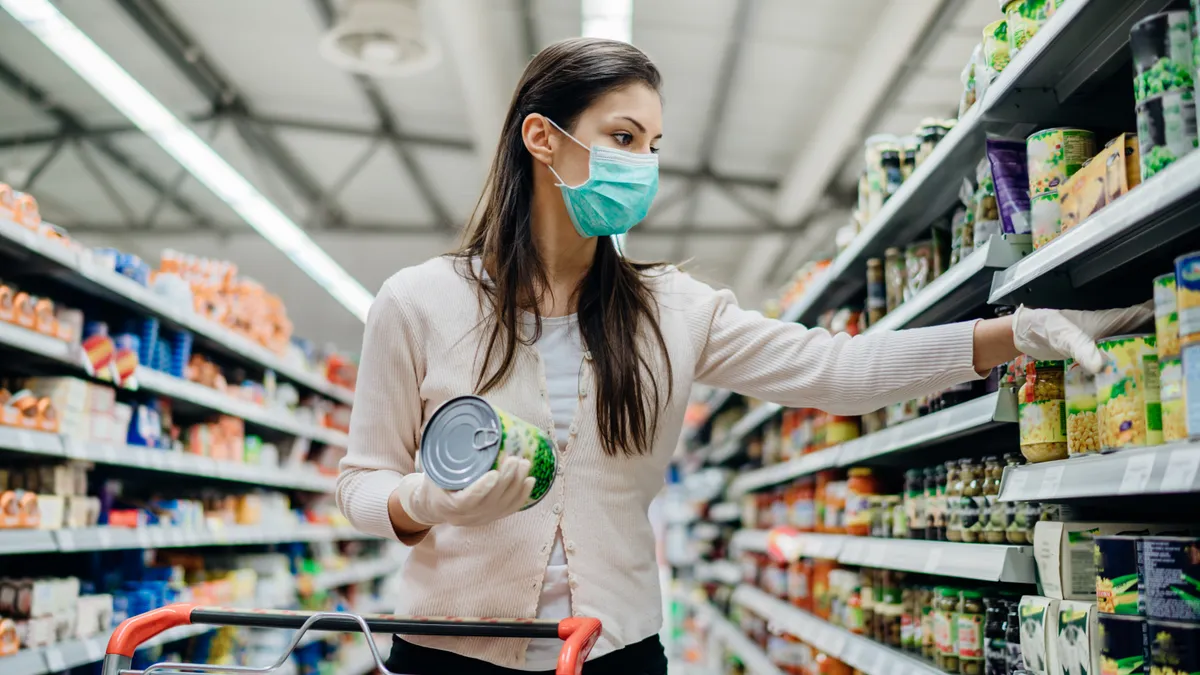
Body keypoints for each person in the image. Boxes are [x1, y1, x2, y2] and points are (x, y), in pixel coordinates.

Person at [337, 38, 1149, 675]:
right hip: (445, 652)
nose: (644, 166)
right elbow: (360, 481)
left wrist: (1015, 330)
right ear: (542, 139)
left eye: (653, 144)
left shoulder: (672, 310)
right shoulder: (417, 302)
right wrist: (427, 502)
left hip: (617, 653)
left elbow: (838, 370)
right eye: (622, 137)